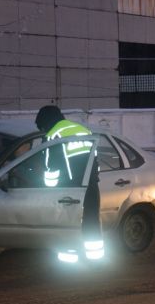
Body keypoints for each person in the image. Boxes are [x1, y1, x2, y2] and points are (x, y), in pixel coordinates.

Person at [34, 105, 104, 262]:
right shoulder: (83, 130)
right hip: (91, 185)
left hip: (69, 189)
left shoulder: (53, 136)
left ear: (45, 123)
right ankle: (95, 259)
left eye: (42, 127)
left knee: (67, 224)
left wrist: (47, 188)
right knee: (91, 220)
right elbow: (95, 160)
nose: (43, 130)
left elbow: (51, 169)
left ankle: (69, 262)